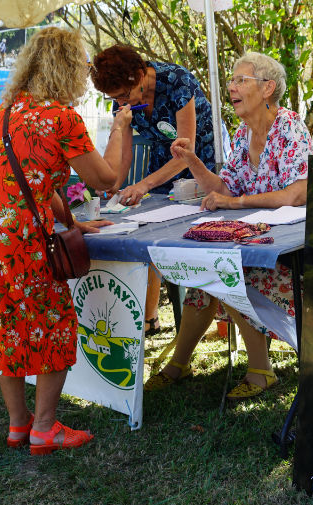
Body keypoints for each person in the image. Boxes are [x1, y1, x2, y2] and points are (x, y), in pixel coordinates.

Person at [0, 28, 132, 454]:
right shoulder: (62, 118)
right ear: (69, 68)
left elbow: (36, 182)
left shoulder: (5, 112)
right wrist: (120, 128)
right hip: (18, 240)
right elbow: (107, 180)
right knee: (53, 326)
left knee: (5, 327)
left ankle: (19, 425)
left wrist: (72, 221)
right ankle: (45, 427)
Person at [145, 51, 313, 400]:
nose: (231, 87)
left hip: (292, 258)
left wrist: (235, 204)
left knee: (223, 273)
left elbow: (299, 193)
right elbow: (225, 189)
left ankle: (258, 370)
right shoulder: (241, 135)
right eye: (231, 81)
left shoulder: (290, 127)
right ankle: (181, 363)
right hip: (253, 247)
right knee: (207, 276)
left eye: (241, 80)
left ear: (268, 88)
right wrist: (192, 161)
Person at [90, 44, 219, 336]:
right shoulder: (121, 97)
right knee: (149, 230)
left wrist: (144, 184)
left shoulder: (177, 81)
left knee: (193, 235)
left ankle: (208, 309)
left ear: (138, 75)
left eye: (124, 94)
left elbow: (187, 149)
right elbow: (125, 155)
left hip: (198, 163)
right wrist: (114, 187)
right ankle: (149, 320)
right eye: (115, 98)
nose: (121, 102)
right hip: (162, 167)